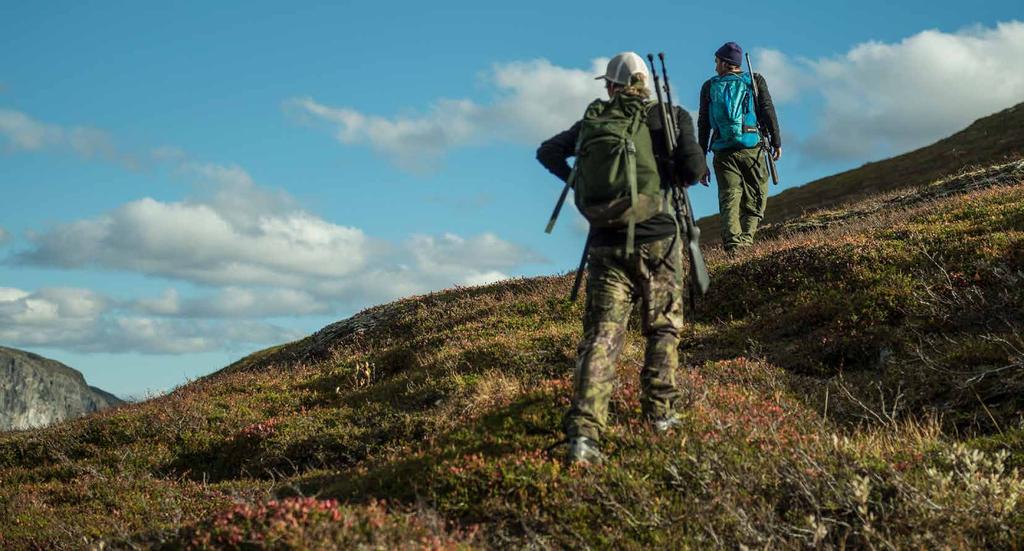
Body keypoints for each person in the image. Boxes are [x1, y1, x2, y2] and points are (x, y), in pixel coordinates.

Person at [536, 52, 707, 465]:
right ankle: (661, 417)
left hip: (604, 246)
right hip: (660, 240)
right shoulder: (671, 116)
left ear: (611, 85)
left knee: (601, 338)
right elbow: (693, 169)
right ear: (645, 83)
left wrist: (578, 179)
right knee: (663, 329)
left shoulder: (594, 122)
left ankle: (583, 436)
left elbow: (547, 152)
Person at [697, 41, 782, 253]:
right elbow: (767, 110)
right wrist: (776, 141)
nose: (715, 66)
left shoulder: (709, 86)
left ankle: (734, 247)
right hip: (751, 149)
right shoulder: (754, 80)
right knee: (757, 196)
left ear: (726, 63)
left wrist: (701, 159)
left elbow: (703, 123)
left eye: (717, 61)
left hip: (722, 151)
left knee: (729, 198)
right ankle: (746, 240)